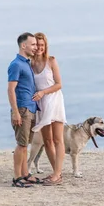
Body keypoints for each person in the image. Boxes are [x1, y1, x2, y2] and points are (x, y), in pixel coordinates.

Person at [8, 32, 44, 187]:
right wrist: (16, 112)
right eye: (33, 44)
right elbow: (11, 90)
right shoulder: (16, 64)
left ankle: (25, 174)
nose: (35, 47)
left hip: (30, 108)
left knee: (26, 144)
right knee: (21, 145)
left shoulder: (26, 63)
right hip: (22, 109)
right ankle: (17, 178)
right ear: (24, 46)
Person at [31, 32, 66, 186]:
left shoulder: (51, 61)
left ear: (45, 46)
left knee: (58, 139)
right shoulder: (29, 64)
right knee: (47, 140)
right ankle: (56, 172)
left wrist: (43, 92)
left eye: (42, 45)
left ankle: (57, 174)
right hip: (41, 104)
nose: (39, 47)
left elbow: (59, 84)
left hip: (54, 99)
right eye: (37, 45)